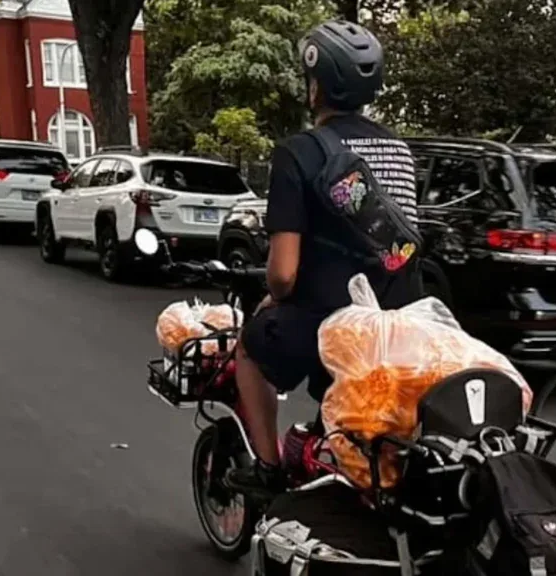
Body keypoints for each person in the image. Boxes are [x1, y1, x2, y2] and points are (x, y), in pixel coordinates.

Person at [226, 19, 422, 495]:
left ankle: (268, 469)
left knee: (250, 348)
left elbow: (284, 275)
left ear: (316, 85)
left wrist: (272, 298)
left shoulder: (299, 152)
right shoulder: (398, 149)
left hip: (335, 322)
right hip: (401, 322)